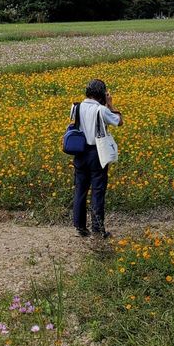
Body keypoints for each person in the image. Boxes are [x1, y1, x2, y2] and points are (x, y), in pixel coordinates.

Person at [70, 79, 123, 239]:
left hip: (79, 152)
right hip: (96, 152)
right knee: (98, 191)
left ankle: (80, 226)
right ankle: (98, 229)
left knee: (80, 189)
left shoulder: (76, 107)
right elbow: (119, 122)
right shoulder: (101, 109)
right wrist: (110, 105)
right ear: (101, 94)